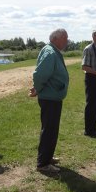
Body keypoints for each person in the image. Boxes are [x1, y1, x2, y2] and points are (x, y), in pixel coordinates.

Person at [29, 29, 70, 173]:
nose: (67, 41)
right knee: (49, 130)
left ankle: (48, 157)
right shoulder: (50, 52)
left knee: (51, 130)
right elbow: (40, 75)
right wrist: (37, 89)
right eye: (65, 38)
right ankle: (43, 164)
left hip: (53, 97)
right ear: (56, 39)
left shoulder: (52, 50)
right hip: (50, 98)